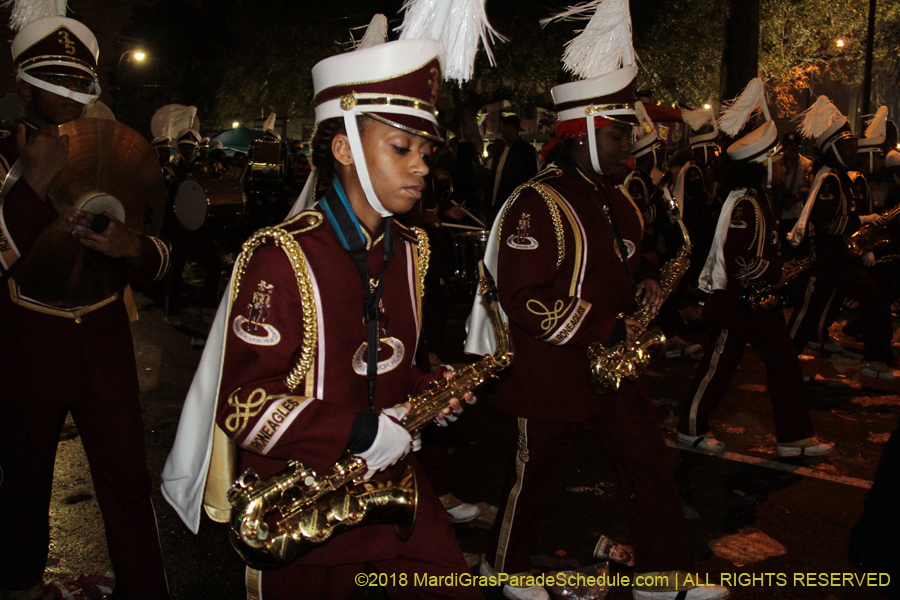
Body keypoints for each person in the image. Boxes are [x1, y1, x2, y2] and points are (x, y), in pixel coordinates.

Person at [161, 11, 499, 598]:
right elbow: (242, 407)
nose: (422, 166)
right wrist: (359, 430)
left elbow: (393, 366)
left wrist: (431, 390)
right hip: (302, 511)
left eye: (425, 150)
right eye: (402, 147)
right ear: (344, 148)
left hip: (390, 489)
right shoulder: (280, 255)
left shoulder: (412, 249)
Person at [470, 3, 728, 599]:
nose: (628, 145)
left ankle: (663, 578)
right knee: (534, 478)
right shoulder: (537, 201)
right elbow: (522, 296)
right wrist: (604, 327)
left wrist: (649, 278)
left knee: (648, 466)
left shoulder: (617, 197)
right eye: (618, 135)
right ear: (582, 132)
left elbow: (631, 258)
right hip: (551, 369)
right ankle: (502, 568)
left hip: (613, 368)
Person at [0, 10, 170, 600]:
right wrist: (31, 185)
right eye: (53, 79)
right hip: (26, 341)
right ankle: (20, 584)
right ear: (24, 85)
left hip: (103, 337)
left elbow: (166, 249)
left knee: (127, 478)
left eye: (77, 80)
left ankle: (144, 588)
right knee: (22, 480)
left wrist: (132, 247)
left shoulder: (112, 150)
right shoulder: (2, 157)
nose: (69, 92)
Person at [675, 78, 833, 459]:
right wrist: (775, 273)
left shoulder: (758, 198)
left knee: (785, 366)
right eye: (777, 162)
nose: (783, 167)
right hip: (736, 304)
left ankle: (794, 437)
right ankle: (689, 428)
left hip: (760, 306)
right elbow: (736, 260)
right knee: (717, 368)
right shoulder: (745, 203)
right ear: (761, 165)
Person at [787, 96, 895, 379]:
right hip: (822, 259)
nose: (852, 152)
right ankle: (784, 360)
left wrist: (864, 241)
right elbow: (824, 222)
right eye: (846, 148)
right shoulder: (830, 180)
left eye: (852, 147)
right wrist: (861, 221)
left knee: (872, 298)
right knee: (806, 311)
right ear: (832, 150)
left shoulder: (845, 178)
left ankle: (876, 359)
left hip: (843, 258)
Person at [486, 114, 538, 225]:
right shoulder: (500, 149)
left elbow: (530, 176)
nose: (502, 130)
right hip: (495, 202)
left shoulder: (526, 151)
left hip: (513, 202)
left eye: (504, 127)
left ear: (513, 128)